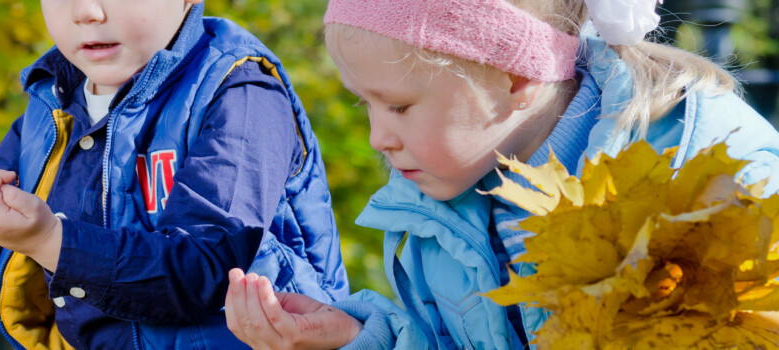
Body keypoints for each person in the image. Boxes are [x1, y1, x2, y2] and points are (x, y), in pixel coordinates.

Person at [224, 0, 779, 349]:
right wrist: (356, 340)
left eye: (398, 106)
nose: (378, 138)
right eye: (362, 105)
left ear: (515, 78)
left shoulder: (707, 178)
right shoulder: (442, 201)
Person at [0, 1, 350, 349]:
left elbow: (204, 265)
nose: (86, 11)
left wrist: (49, 240)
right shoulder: (49, 107)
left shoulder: (238, 90)